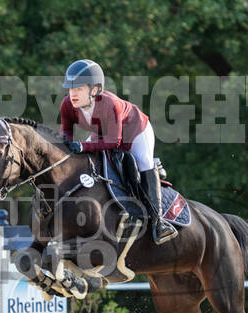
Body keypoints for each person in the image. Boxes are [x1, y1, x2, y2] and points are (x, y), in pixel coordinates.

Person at [59, 59, 177, 245]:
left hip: (135, 131)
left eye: (79, 89)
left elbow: (115, 141)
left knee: (143, 162)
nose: (73, 94)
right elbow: (66, 131)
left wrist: (82, 146)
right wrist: (66, 143)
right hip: (101, 133)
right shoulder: (67, 104)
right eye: (71, 89)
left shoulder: (110, 104)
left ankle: (158, 222)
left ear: (95, 90)